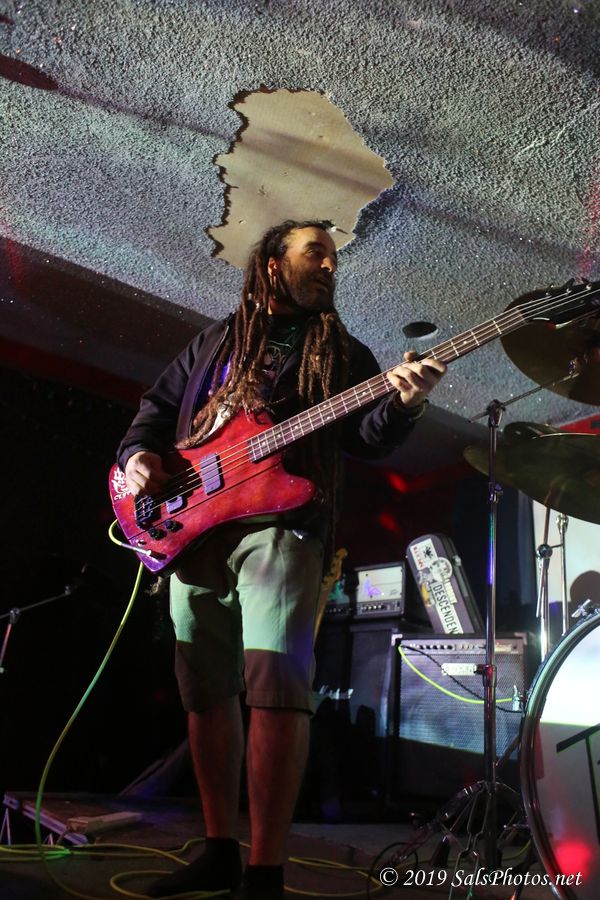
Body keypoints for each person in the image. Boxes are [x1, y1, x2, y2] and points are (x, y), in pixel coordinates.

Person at [117, 220, 446, 899]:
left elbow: (367, 436)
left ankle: (264, 873)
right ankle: (218, 852)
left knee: (275, 691)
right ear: (272, 264)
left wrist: (405, 405)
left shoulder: (343, 351)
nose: (329, 265)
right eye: (314, 252)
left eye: (333, 257)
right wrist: (139, 456)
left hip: (283, 528)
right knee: (205, 693)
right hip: (193, 531)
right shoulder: (216, 340)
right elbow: (155, 410)